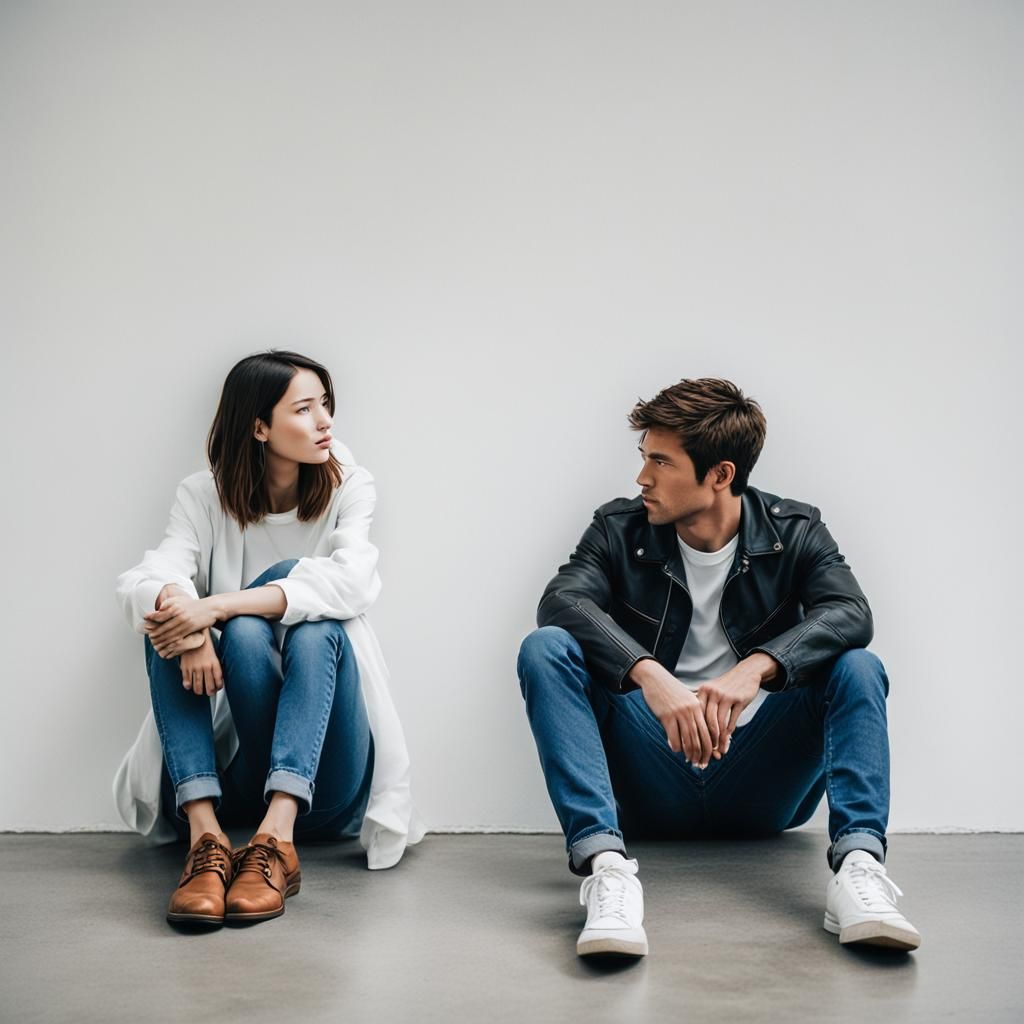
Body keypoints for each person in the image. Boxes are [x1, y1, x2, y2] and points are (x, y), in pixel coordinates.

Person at [517, 378, 920, 957]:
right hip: (648, 775)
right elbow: (561, 602)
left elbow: (851, 613)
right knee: (546, 646)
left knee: (858, 665)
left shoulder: (794, 532)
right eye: (643, 458)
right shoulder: (617, 529)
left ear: (720, 474)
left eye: (661, 461)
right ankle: (607, 870)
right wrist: (649, 673)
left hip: (758, 778)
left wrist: (757, 667)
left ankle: (859, 871)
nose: (642, 478)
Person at [115, 350, 422, 927]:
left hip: (322, 787)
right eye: (305, 409)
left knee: (310, 615)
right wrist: (189, 619)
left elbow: (351, 581)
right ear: (259, 426)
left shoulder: (349, 485)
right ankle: (205, 843)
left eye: (325, 405)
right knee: (165, 613)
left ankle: (278, 838)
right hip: (230, 785)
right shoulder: (202, 496)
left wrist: (217, 606)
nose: (326, 421)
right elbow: (148, 575)